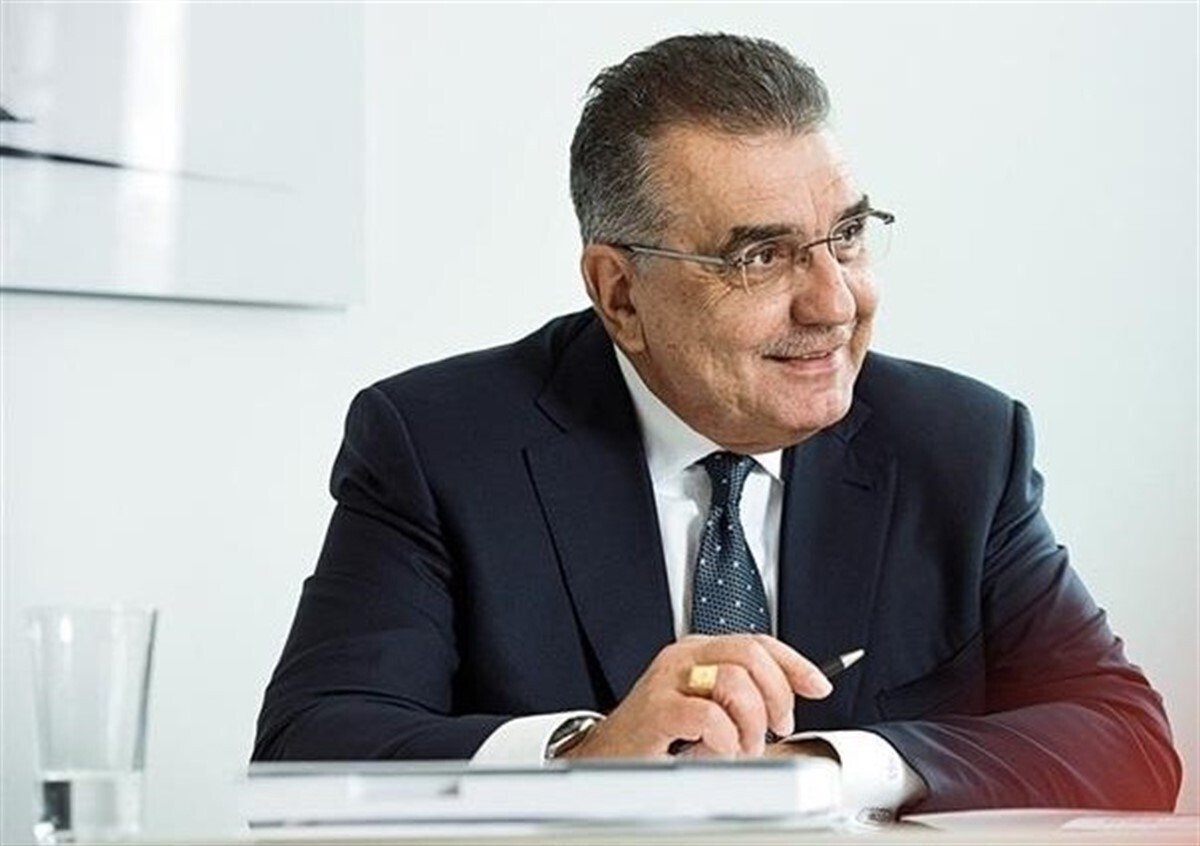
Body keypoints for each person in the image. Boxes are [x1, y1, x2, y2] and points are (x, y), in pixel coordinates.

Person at [253, 33, 1181, 816]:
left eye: (847, 236)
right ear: (620, 293)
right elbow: (306, 758)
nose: (833, 303)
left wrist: (833, 765)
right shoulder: (439, 444)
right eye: (761, 256)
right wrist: (581, 758)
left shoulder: (960, 445)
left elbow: (1125, 738)